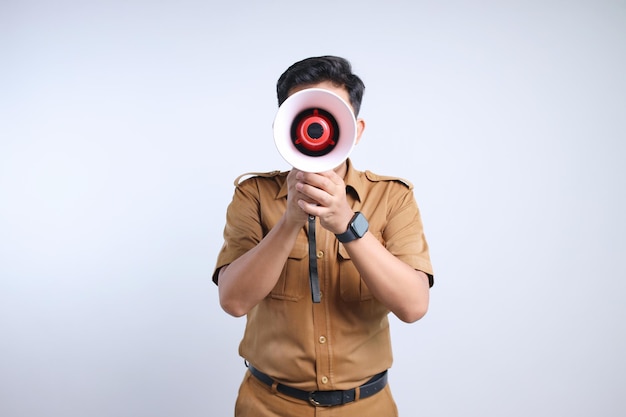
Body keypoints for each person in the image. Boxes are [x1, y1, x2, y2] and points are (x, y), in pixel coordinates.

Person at [212, 55, 434, 417]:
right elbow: (233, 301)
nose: (317, 127)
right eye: (305, 113)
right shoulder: (253, 195)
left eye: (331, 116)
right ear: (284, 126)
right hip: (267, 405)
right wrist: (288, 222)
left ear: (357, 130)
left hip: (366, 407)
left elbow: (413, 306)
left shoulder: (393, 197)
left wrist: (348, 225)